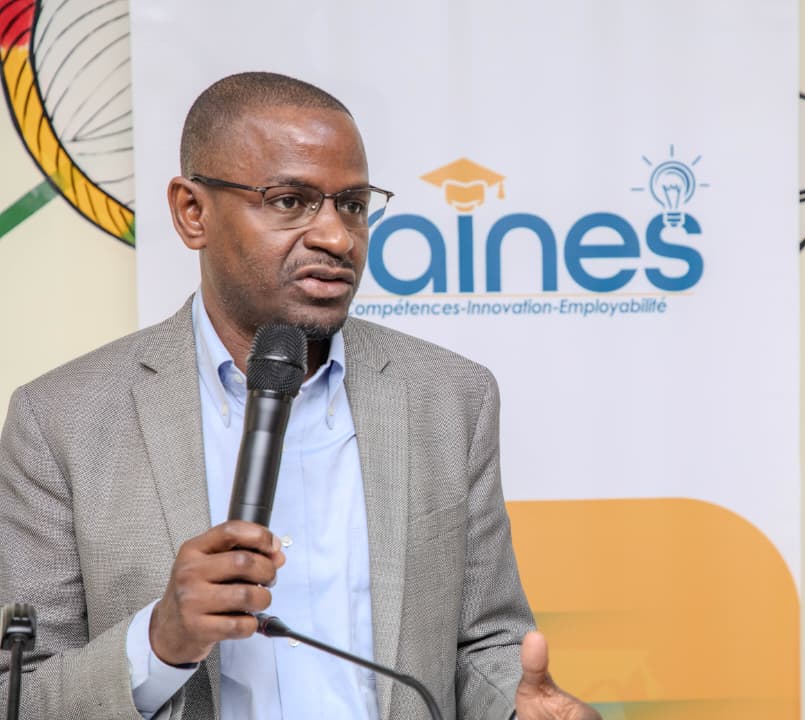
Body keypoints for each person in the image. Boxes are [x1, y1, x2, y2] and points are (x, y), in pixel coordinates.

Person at [0, 72, 599, 720]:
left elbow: (484, 644)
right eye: (290, 201)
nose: (337, 238)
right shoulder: (60, 421)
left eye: (354, 205)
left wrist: (518, 709)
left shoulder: (451, 398)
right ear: (192, 212)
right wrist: (158, 642)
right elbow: (17, 692)